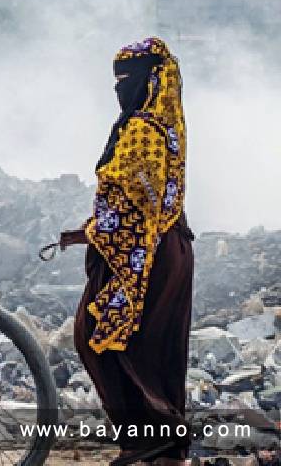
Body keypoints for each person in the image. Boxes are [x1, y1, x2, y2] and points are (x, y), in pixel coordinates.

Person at [60, 37, 194, 466]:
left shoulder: (140, 130)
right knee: (157, 348)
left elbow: (133, 206)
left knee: (100, 335)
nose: (120, 87)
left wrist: (91, 233)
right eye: (116, 79)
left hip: (141, 255)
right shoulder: (166, 125)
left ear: (153, 80)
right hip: (169, 248)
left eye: (128, 79)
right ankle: (167, 448)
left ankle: (145, 439)